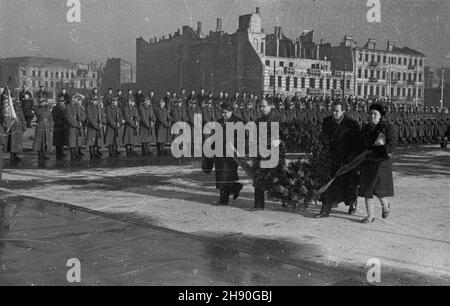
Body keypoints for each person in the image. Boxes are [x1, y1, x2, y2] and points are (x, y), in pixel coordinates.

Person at [315, 101, 362, 218]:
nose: (334, 113)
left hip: (346, 160)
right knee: (328, 183)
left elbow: (357, 144)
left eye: (337, 111)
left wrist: (351, 159)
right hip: (331, 158)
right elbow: (324, 139)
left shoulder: (351, 124)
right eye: (333, 110)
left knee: (348, 185)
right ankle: (325, 210)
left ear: (343, 111)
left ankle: (352, 202)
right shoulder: (327, 122)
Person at [359, 103, 396, 224]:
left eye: (375, 114)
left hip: (381, 161)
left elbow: (391, 144)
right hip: (368, 161)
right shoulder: (365, 128)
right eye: (370, 113)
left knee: (378, 187)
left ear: (380, 116)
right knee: (367, 189)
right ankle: (370, 216)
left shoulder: (388, 127)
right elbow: (361, 144)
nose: (372, 116)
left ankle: (385, 206)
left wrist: (379, 151)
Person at [213, 101, 243, 206]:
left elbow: (242, 139)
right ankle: (236, 187)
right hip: (219, 154)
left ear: (231, 112)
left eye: (225, 112)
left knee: (226, 176)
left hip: (231, 155)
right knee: (222, 176)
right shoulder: (219, 121)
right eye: (222, 112)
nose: (223, 115)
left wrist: (238, 151)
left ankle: (223, 201)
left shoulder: (238, 122)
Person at [32, 97, 53, 161]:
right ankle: (40, 155)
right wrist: (46, 107)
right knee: (39, 142)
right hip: (40, 127)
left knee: (45, 141)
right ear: (39, 103)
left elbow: (50, 119)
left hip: (46, 126)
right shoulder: (37, 109)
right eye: (41, 102)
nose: (42, 103)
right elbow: (39, 113)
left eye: (43, 102)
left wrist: (51, 127)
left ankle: (43, 154)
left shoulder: (47, 109)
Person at [52, 96, 67, 160]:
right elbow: (54, 119)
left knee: (62, 141)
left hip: (63, 127)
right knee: (58, 143)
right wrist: (62, 122)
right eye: (61, 101)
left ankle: (61, 152)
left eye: (63, 101)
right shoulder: (55, 109)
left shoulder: (65, 108)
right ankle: (58, 154)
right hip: (58, 127)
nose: (62, 102)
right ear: (58, 102)